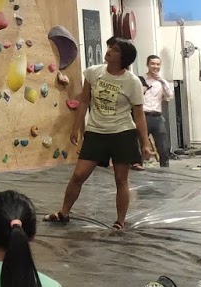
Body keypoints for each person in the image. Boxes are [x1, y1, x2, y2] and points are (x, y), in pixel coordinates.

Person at [46, 38, 154, 230]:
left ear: (124, 57)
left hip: (122, 133)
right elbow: (85, 101)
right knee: (78, 175)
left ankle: (120, 221)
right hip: (96, 132)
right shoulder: (93, 72)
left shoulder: (132, 82)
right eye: (110, 47)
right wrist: (76, 128)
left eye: (115, 49)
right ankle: (64, 213)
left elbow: (138, 114)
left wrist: (145, 142)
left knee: (121, 179)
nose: (109, 51)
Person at [141, 53, 174, 168]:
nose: (155, 66)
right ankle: (137, 169)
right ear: (148, 65)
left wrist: (162, 81)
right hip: (143, 116)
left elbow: (169, 96)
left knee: (163, 147)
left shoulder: (162, 82)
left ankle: (165, 170)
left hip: (157, 117)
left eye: (158, 64)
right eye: (153, 64)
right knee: (140, 146)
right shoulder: (140, 80)